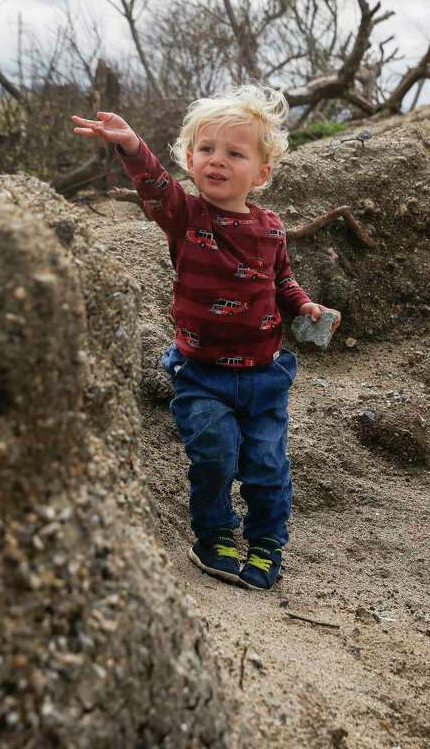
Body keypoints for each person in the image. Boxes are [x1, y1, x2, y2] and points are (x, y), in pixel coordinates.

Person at [71, 85, 339, 592]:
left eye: (234, 153)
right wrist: (130, 145)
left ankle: (265, 542)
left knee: (266, 465)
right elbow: (153, 185)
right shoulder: (186, 215)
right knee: (214, 454)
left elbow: (280, 280)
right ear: (190, 159)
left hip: (264, 376)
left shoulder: (271, 228)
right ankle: (213, 536)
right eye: (206, 150)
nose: (217, 161)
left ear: (261, 173)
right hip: (202, 374)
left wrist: (304, 305)